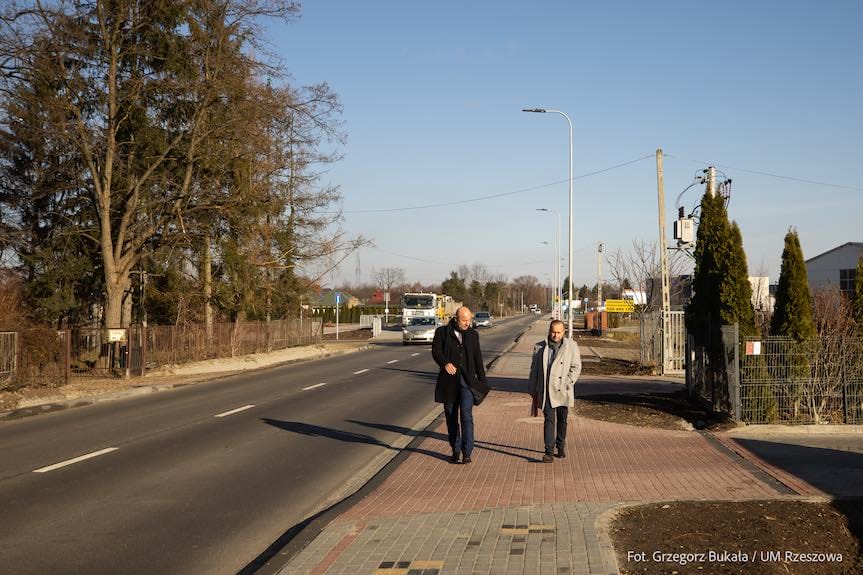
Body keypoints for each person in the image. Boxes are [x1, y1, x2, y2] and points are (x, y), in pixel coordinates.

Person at [432, 306, 489, 464]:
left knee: (466, 415)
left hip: (467, 383)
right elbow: (436, 352)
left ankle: (467, 451)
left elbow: (478, 358)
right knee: (451, 418)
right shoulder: (442, 333)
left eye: (469, 320)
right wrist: (445, 363)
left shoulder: (473, 335)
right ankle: (455, 449)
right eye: (464, 320)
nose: (467, 323)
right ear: (456, 319)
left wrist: (483, 383)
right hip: (449, 383)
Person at [528, 319, 582, 463]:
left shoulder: (571, 346)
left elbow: (576, 366)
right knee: (549, 420)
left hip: (563, 389)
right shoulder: (540, 347)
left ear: (563, 332)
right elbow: (534, 370)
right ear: (549, 331)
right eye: (553, 332)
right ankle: (549, 452)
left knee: (562, 419)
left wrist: (568, 382)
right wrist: (532, 389)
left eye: (558, 332)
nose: (555, 335)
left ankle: (560, 445)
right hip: (547, 390)